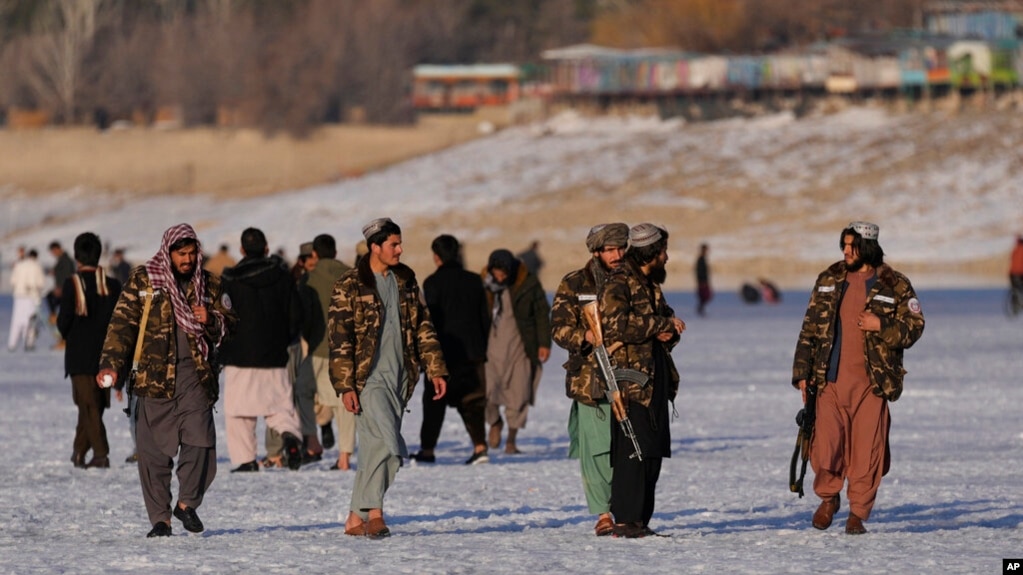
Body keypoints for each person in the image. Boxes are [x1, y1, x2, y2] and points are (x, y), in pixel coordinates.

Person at [97, 223, 236, 538]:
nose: (187, 260)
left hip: (195, 375)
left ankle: (187, 504)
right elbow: (121, 325)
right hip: (153, 377)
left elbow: (232, 325)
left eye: (191, 253)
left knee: (201, 441)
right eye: (181, 254)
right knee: (153, 453)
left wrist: (211, 319)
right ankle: (161, 519)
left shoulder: (210, 285)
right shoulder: (145, 281)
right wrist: (111, 365)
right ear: (168, 252)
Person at [792, 221, 924, 535]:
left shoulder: (895, 284)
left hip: (872, 384)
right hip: (829, 380)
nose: (846, 252)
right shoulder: (829, 279)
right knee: (826, 448)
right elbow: (809, 329)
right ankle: (828, 499)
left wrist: (881, 326)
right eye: (844, 246)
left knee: (867, 452)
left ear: (868, 248)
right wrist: (801, 375)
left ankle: (858, 513)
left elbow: (915, 326)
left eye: (852, 247)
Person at [329, 217, 447, 538]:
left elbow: (424, 326)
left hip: (401, 378)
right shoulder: (350, 285)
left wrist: (435, 368)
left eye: (400, 243)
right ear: (375, 247)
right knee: (389, 445)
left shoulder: (406, 280)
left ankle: (355, 517)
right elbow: (340, 339)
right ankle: (376, 513)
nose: (400, 249)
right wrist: (345, 385)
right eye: (394, 244)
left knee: (374, 447)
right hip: (367, 379)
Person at [601, 223, 685, 538]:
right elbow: (616, 326)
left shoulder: (650, 284)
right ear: (652, 252)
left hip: (655, 380)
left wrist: (668, 331)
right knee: (631, 453)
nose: (667, 257)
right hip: (630, 385)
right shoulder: (619, 282)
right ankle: (624, 520)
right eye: (663, 251)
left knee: (651, 453)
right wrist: (659, 324)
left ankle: (640, 520)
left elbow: (667, 321)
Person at [551, 223, 629, 537]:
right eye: (610, 249)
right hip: (590, 378)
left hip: (631, 378)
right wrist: (583, 335)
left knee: (629, 448)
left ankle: (628, 508)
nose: (617, 255)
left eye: (621, 248)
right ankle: (603, 512)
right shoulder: (575, 283)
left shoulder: (633, 280)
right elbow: (558, 328)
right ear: (596, 251)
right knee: (597, 449)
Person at [219, 228, 305, 472]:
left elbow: (224, 317)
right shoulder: (282, 276)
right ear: (266, 248)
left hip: (239, 355)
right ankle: (289, 435)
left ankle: (246, 460)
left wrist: (224, 349)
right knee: (279, 406)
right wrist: (286, 341)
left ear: (242, 250)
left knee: (238, 412)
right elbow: (295, 315)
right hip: (274, 354)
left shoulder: (231, 279)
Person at [412, 234, 490, 465]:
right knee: (473, 402)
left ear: (436, 257)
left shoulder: (432, 283)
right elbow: (484, 318)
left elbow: (430, 321)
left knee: (434, 403)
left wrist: (426, 355)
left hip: (443, 354)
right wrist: (482, 349)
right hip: (472, 353)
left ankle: (428, 450)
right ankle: (480, 447)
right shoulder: (475, 280)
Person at [57, 232, 122, 469]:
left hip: (80, 357)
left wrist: (69, 335)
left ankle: (101, 454)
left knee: (88, 406)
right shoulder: (113, 284)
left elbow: (63, 322)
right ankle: (78, 452)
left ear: (77, 256)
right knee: (94, 406)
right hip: (108, 356)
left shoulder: (72, 284)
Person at [483, 249, 551, 454]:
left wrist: (544, 343)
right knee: (486, 391)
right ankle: (495, 422)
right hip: (490, 348)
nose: (500, 277)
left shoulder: (528, 283)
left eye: (504, 273)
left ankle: (511, 440)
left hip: (521, 346)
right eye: (497, 273)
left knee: (518, 394)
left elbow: (541, 313)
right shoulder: (485, 284)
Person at [305, 233, 354, 470]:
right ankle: (344, 457)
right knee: (346, 403)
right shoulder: (351, 274)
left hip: (318, 346)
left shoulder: (309, 278)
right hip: (347, 348)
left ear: (314, 254)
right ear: (335, 252)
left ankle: (320, 429)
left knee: (312, 395)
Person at [7, 249, 45, 352]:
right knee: (30, 321)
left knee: (16, 322)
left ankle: (12, 344)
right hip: (32, 297)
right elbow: (41, 283)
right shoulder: (37, 266)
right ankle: (29, 343)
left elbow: (12, 281)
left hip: (19, 296)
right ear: (36, 257)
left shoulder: (19, 265)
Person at [47, 241, 76, 349]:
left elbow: (68, 275)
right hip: (63, 290)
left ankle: (64, 341)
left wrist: (61, 288)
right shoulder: (62, 259)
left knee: (66, 318)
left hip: (66, 291)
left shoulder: (66, 260)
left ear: (58, 249)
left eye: (53, 251)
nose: (53, 253)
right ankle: (63, 339)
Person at [695, 243, 712, 316]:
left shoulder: (703, 259)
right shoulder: (700, 259)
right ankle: (700, 309)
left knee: (706, 296)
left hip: (704, 281)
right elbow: (699, 271)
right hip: (702, 281)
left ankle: (701, 308)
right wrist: (702, 281)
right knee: (705, 295)